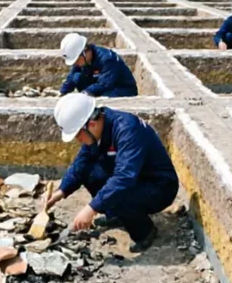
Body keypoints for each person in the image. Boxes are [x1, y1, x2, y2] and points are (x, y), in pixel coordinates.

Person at [45, 93, 179, 252]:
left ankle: (145, 232)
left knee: (119, 193)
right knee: (90, 173)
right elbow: (81, 164)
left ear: (91, 123)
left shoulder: (127, 129)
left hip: (160, 186)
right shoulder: (98, 131)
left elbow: (124, 178)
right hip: (137, 179)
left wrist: (91, 208)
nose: (77, 139)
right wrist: (61, 191)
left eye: (77, 134)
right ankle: (116, 215)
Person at [58, 33, 139, 98]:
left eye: (76, 60)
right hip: (101, 83)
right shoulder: (83, 61)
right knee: (77, 77)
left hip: (121, 89)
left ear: (84, 53)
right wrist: (63, 92)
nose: (75, 63)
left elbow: (104, 84)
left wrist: (85, 93)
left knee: (103, 100)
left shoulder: (107, 59)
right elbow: (72, 76)